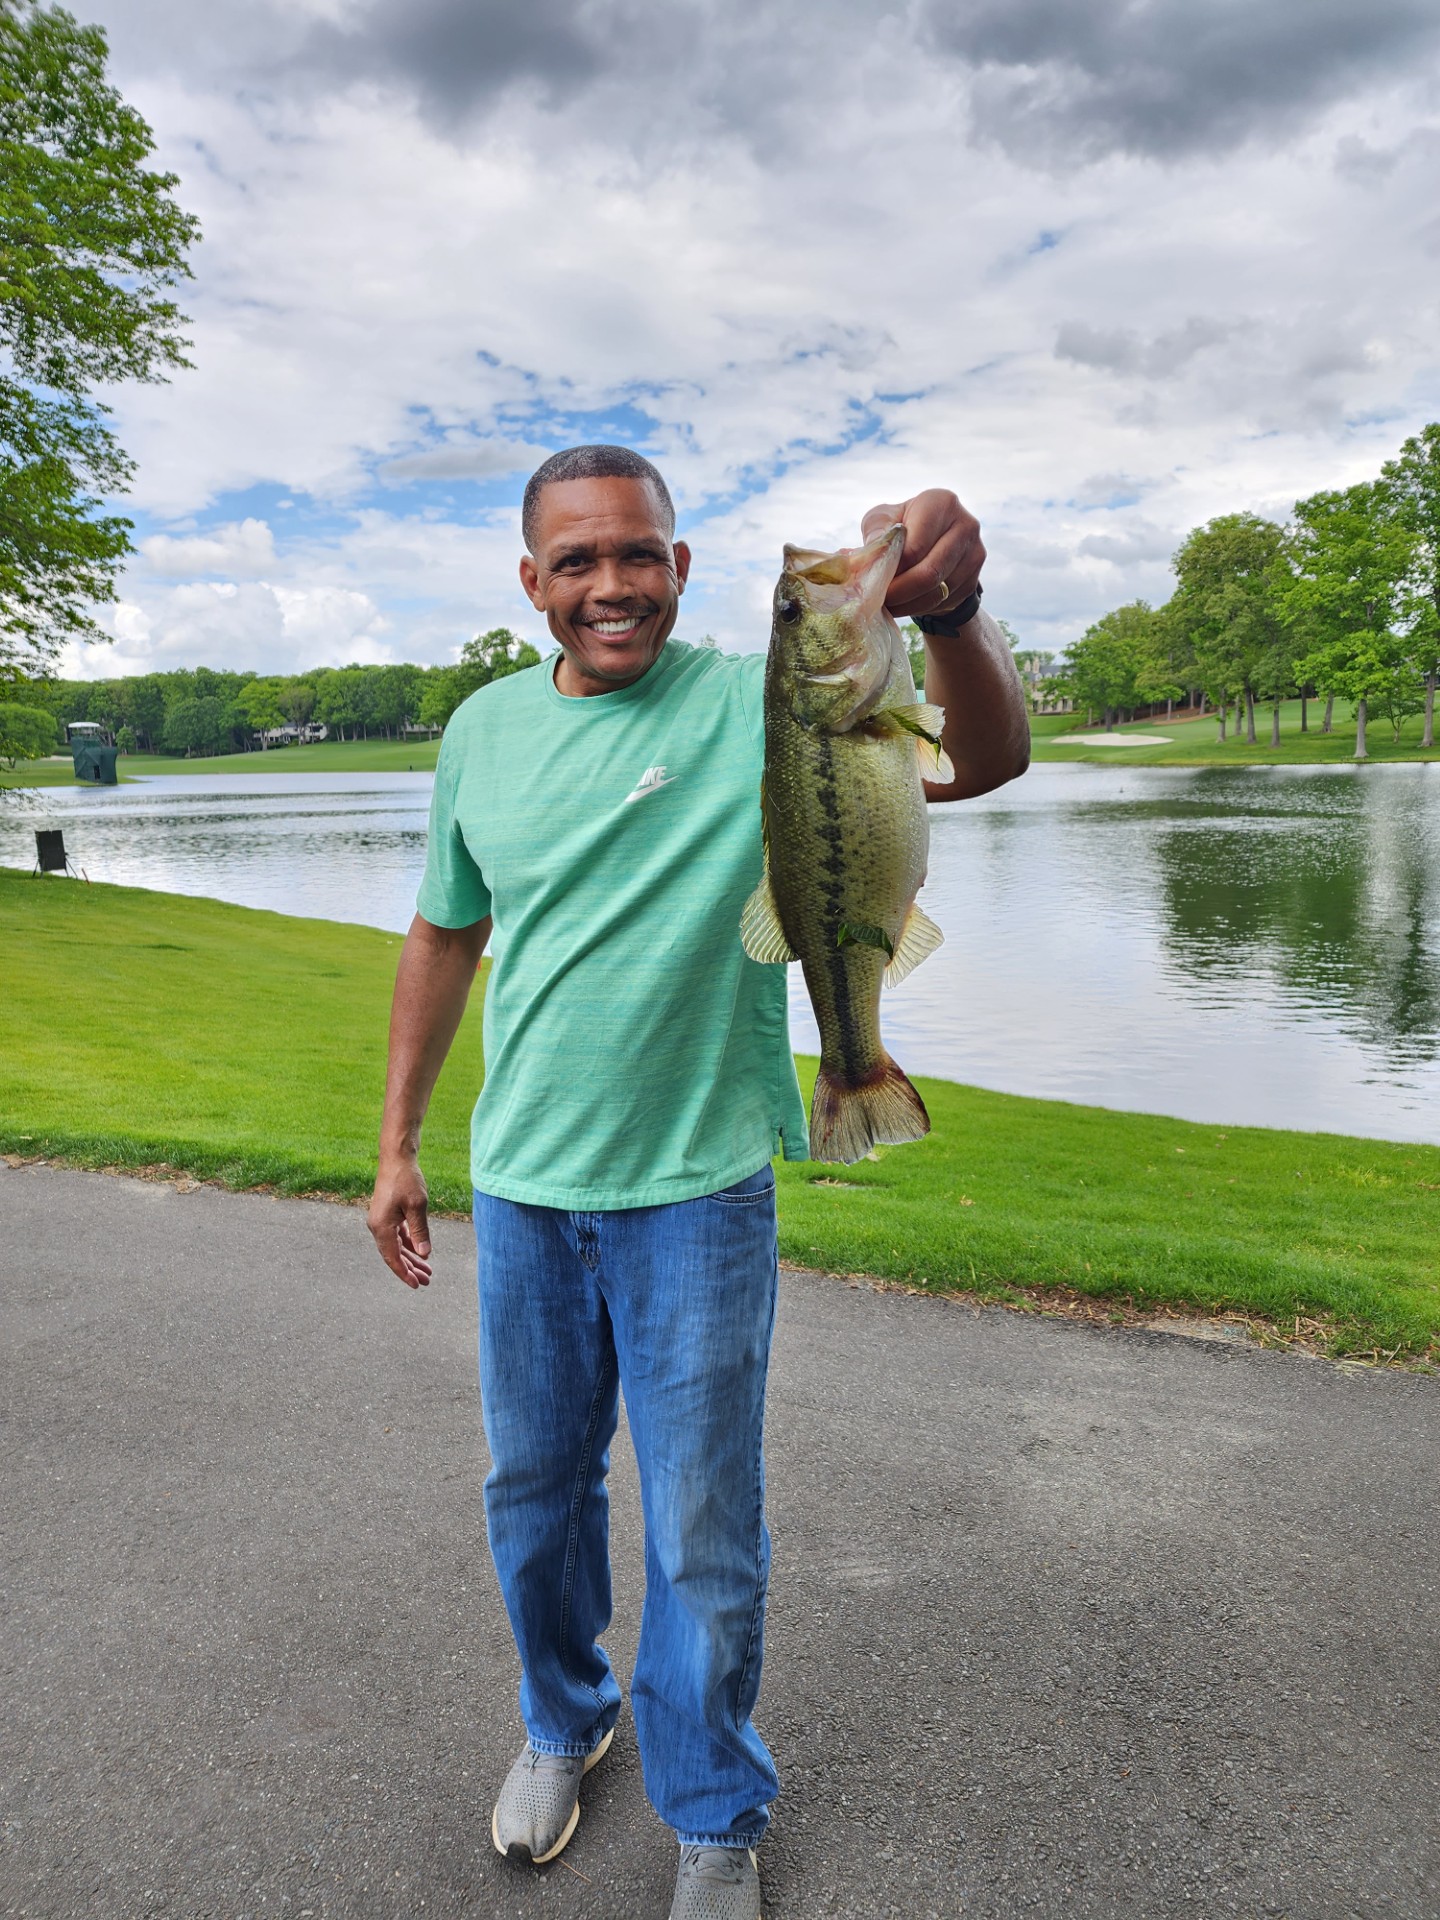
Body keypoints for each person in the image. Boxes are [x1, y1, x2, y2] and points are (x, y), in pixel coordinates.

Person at [366, 445, 1029, 1919]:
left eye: (639, 553)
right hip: (525, 1186)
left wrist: (948, 605)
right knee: (534, 1499)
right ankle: (566, 1720)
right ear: (532, 581)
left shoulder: (761, 699)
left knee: (703, 1527)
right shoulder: (480, 729)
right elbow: (444, 934)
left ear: (678, 564)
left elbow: (983, 762)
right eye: (579, 560)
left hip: (700, 1193)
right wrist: (399, 1143)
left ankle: (715, 1808)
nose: (612, 584)